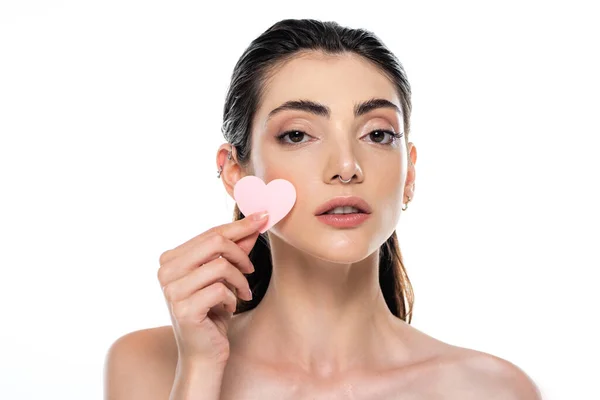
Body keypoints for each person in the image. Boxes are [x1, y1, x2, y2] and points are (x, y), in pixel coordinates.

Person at [104, 18, 541, 399]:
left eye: (377, 134)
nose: (346, 167)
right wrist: (199, 371)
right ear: (235, 173)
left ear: (408, 175)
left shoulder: (495, 390)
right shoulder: (148, 367)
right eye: (297, 135)